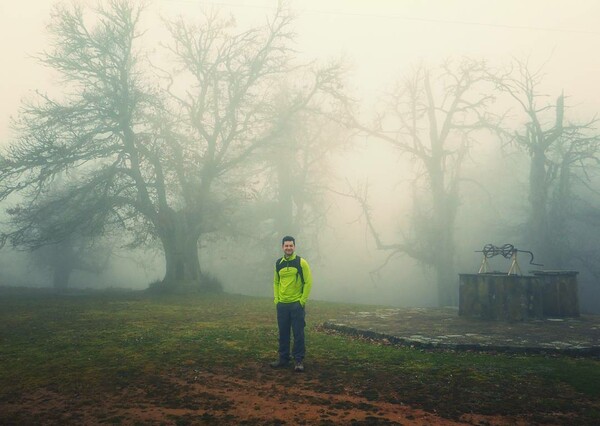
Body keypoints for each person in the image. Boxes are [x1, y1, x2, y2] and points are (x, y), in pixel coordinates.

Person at [270, 235, 312, 372]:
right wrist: (276, 299)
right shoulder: (278, 263)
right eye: (286, 245)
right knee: (283, 332)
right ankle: (283, 358)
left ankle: (298, 360)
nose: (288, 248)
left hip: (296, 305)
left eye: (291, 245)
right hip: (282, 305)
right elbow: (276, 282)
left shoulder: (301, 262)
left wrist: (302, 300)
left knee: (298, 333)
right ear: (282, 247)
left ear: (294, 247)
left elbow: (308, 282)